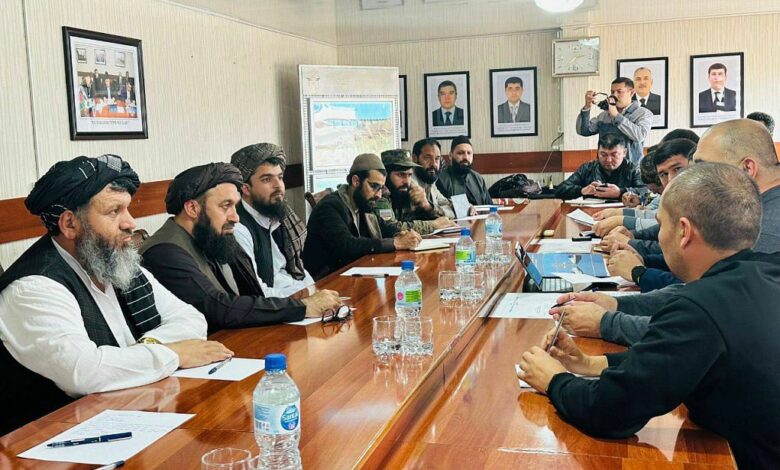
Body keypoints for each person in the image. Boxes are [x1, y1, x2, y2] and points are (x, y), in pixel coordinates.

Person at [520, 162, 780, 469]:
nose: (659, 236)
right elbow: (671, 358)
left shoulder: (700, 308)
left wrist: (553, 380)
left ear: (683, 232)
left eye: (661, 225)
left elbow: (611, 411)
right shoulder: (766, 271)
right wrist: (589, 364)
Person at [0, 155, 230, 436]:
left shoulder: (115, 263)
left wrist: (148, 346)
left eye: (128, 209)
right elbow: (85, 372)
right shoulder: (33, 287)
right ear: (69, 224)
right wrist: (174, 352)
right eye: (114, 211)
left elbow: (191, 319)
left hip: (131, 417)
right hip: (49, 441)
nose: (130, 223)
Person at [557, 119, 780, 347]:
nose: (689, 178)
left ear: (747, 169)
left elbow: (701, 329)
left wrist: (607, 323)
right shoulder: (756, 210)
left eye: (703, 168)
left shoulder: (769, 229)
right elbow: (699, 293)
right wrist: (618, 305)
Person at [141, 163, 341, 333]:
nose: (235, 217)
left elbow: (252, 291)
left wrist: (291, 299)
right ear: (193, 208)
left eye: (235, 206)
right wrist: (300, 307)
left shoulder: (211, 235)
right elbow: (218, 308)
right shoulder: (165, 251)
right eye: (225, 206)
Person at [303, 153, 421, 279]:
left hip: (353, 272)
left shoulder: (362, 202)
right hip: (327, 279)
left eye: (381, 188)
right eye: (374, 186)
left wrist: (404, 234)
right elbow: (347, 245)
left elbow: (383, 226)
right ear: (356, 181)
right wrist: (395, 243)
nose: (379, 195)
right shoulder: (330, 207)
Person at [230, 143, 314, 298]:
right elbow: (259, 292)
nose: (278, 186)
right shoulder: (238, 229)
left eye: (280, 177)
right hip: (277, 305)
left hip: (296, 293)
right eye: (267, 179)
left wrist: (315, 289)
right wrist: (306, 294)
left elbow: (299, 270)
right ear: (245, 188)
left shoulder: (279, 216)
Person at [577, 77, 653, 165]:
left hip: (631, 169)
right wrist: (587, 106)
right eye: (612, 92)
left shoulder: (643, 113)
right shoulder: (604, 115)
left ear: (631, 93)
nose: (615, 95)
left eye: (619, 92)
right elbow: (583, 131)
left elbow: (639, 136)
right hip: (605, 168)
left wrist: (616, 116)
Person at [379, 149, 456, 235]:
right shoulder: (379, 195)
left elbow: (441, 219)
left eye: (409, 175)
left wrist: (427, 206)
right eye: (400, 175)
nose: (406, 181)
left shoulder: (410, 191)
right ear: (385, 175)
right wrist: (433, 225)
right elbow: (390, 228)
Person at [554, 132, 644, 200]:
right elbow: (560, 190)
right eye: (603, 154)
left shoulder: (633, 169)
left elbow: (645, 191)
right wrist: (581, 190)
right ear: (597, 152)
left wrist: (621, 192)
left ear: (624, 152)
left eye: (614, 155)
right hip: (591, 214)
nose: (608, 160)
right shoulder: (588, 168)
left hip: (621, 214)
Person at [436, 135, 493, 205]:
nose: (466, 157)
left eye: (469, 153)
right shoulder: (441, 180)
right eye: (460, 153)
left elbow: (489, 206)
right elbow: (441, 207)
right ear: (450, 156)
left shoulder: (478, 178)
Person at [410, 138, 456, 219]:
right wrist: (431, 208)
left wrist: (464, 206)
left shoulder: (429, 179)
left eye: (437, 158)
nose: (434, 164)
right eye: (428, 158)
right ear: (414, 158)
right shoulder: (410, 182)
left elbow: (447, 205)